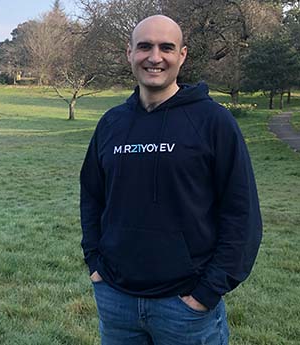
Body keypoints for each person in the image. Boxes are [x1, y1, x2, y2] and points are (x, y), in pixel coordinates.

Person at [80, 15, 262, 345]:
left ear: (183, 55)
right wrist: (95, 263)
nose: (155, 57)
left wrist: (206, 292)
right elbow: (92, 196)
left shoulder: (213, 122)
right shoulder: (111, 124)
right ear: (129, 53)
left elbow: (241, 213)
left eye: (167, 47)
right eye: (144, 46)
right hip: (116, 303)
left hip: (186, 308)